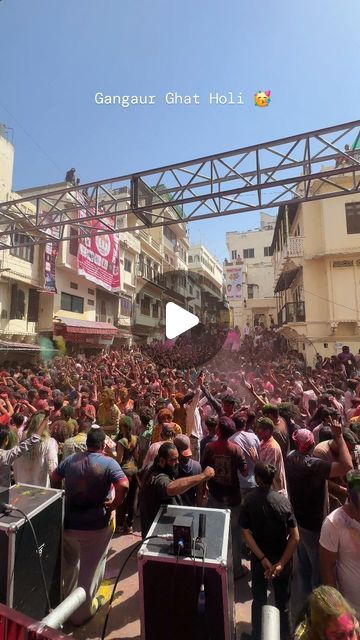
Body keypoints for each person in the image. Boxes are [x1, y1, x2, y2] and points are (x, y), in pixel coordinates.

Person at [50, 427, 129, 626]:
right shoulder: (108, 462)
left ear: (87, 444)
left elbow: (54, 477)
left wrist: (61, 498)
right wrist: (114, 505)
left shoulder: (71, 460)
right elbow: (123, 485)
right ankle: (81, 614)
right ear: (103, 445)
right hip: (96, 526)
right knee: (90, 569)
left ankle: (65, 607)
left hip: (69, 522)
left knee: (70, 566)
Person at [285, 422, 353, 606]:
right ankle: (315, 607)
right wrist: (338, 436)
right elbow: (347, 467)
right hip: (314, 525)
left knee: (304, 566)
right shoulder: (312, 465)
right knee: (318, 570)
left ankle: (303, 602)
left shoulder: (290, 458)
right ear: (312, 444)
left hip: (298, 520)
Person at [239, 462, 299, 640]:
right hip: (282, 557)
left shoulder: (249, 501)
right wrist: (280, 564)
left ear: (257, 479)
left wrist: (262, 558)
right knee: (283, 604)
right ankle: (285, 636)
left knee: (258, 601)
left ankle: (257, 635)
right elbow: (295, 537)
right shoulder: (283, 502)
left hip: (260, 560)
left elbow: (245, 533)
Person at [202, 416, 248, 579]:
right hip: (233, 498)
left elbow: (204, 472)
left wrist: (201, 494)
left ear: (219, 430)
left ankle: (215, 566)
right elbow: (245, 472)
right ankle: (236, 569)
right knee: (235, 534)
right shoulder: (236, 449)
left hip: (215, 495)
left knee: (215, 532)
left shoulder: (209, 447)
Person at [139, 441, 214, 538]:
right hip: (157, 533)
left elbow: (139, 474)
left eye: (177, 458)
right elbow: (170, 488)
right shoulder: (159, 478)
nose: (177, 462)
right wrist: (203, 476)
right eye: (173, 460)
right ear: (162, 461)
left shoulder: (151, 464)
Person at [319, 470, 360, 619]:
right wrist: (337, 613)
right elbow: (327, 569)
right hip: (353, 614)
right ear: (349, 491)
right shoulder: (334, 523)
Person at [0, 415, 49, 488]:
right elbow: (33, 440)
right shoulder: (5, 456)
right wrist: (46, 419)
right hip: (3, 494)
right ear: (6, 440)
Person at [294, 586, 359, 640]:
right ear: (320, 632)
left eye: (351, 633)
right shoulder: (302, 636)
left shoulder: (352, 624)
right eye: (339, 636)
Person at [13, 412, 58, 487]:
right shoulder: (49, 443)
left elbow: (14, 465)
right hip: (40, 490)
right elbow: (52, 468)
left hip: (21, 487)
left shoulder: (21, 442)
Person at [115, 416, 138, 534]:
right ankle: (129, 525)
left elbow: (119, 460)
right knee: (133, 499)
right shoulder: (135, 439)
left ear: (123, 427)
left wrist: (110, 453)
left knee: (122, 499)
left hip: (123, 471)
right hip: (134, 470)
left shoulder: (121, 442)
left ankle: (119, 525)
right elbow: (137, 456)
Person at [257, 417, 287, 494]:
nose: (258, 432)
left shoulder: (272, 448)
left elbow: (267, 471)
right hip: (269, 488)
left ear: (267, 431)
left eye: (260, 429)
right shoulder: (263, 442)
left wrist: (255, 460)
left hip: (276, 489)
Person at [174, 434, 203, 507]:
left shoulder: (173, 467)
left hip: (174, 506)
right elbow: (199, 493)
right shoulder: (197, 466)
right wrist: (198, 509)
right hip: (191, 507)